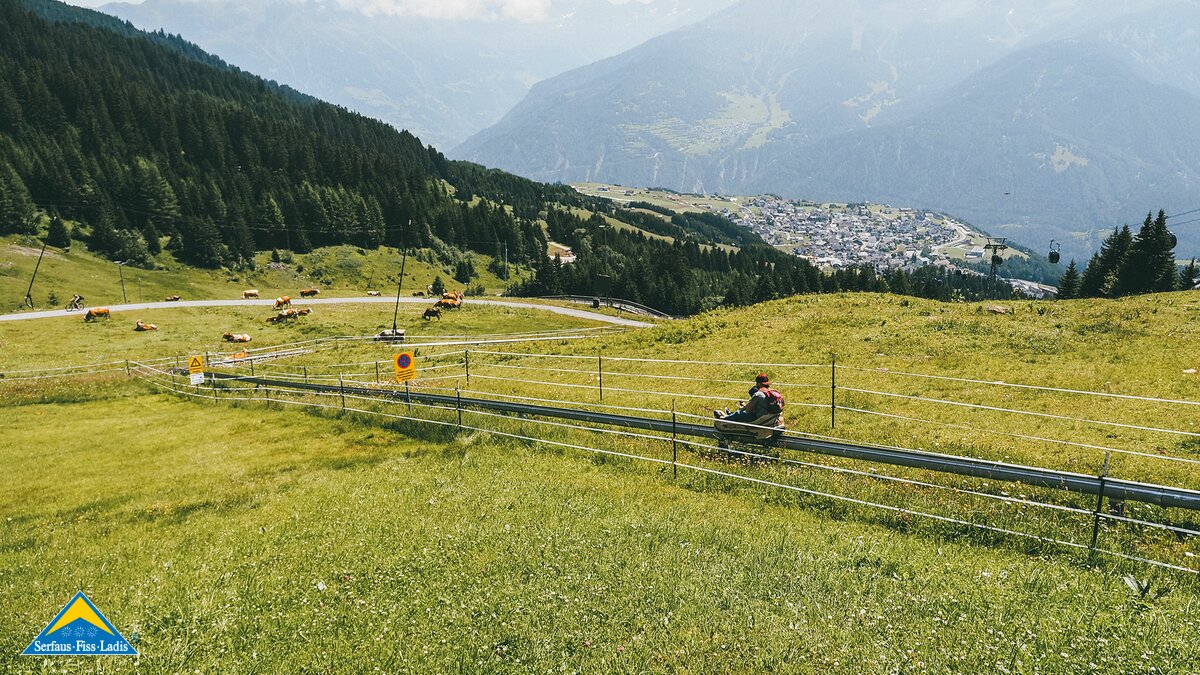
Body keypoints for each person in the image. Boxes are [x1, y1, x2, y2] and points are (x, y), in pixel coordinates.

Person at [718, 373, 784, 427]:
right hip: (772, 416)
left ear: (758, 383)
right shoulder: (772, 392)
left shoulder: (758, 394)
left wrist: (743, 407)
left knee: (739, 414)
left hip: (760, 418)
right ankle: (730, 415)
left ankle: (723, 419)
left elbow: (748, 410)